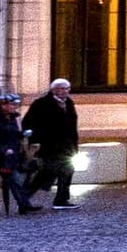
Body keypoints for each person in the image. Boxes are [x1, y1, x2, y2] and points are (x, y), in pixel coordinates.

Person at [23, 78, 82, 211]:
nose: (65, 91)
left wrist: (74, 145)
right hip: (48, 145)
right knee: (48, 172)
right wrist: (37, 141)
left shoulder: (69, 103)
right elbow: (28, 123)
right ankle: (24, 197)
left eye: (67, 88)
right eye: (61, 88)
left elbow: (72, 126)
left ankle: (60, 199)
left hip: (66, 146)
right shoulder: (41, 103)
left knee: (65, 171)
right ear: (53, 90)